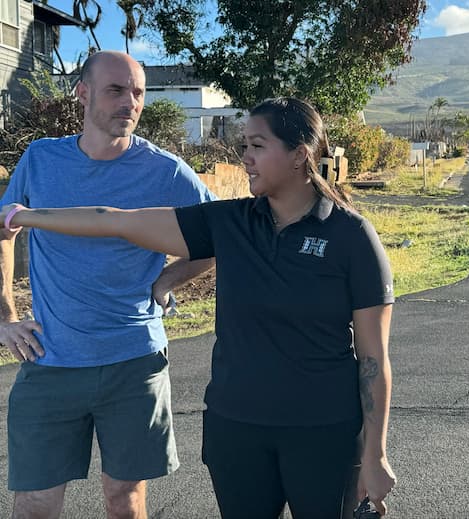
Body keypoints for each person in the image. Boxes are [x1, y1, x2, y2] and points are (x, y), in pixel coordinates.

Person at [1, 96, 397, 518]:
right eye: (244, 145)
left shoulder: (350, 235)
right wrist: (25, 216)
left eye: (258, 146)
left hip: (324, 432)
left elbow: (374, 359)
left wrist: (375, 455)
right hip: (236, 429)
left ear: (300, 155)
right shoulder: (228, 223)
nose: (245, 158)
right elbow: (114, 220)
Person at [0, 51, 216, 518]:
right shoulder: (41, 159)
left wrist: (168, 279)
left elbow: (220, 237)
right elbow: (4, 229)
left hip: (133, 361)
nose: (130, 103)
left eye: (138, 93)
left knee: (124, 500)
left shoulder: (166, 170)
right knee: (35, 502)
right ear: (83, 93)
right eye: (117, 90)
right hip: (50, 360)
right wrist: (7, 319)